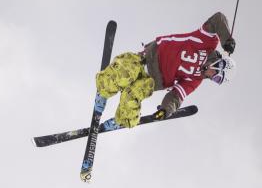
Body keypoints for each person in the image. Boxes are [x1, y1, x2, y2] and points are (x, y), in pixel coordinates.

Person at [94, 12, 236, 129]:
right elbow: (218, 19)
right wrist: (227, 40)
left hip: (152, 81)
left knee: (132, 97)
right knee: (124, 72)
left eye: (216, 81)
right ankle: (103, 93)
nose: (212, 78)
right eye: (217, 77)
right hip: (148, 58)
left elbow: (177, 96)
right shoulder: (206, 42)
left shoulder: (195, 80)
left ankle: (121, 121)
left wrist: (165, 110)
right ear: (219, 65)